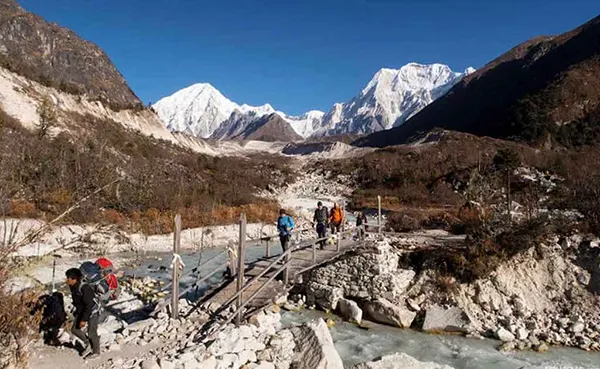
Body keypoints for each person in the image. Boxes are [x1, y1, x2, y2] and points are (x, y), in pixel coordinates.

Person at [65, 268, 100, 360]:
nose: (66, 279)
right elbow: (78, 302)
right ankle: (88, 344)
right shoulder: (73, 287)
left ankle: (96, 352)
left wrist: (83, 319)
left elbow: (89, 306)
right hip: (82, 310)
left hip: (92, 311)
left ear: (74, 279)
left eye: (68, 278)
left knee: (92, 332)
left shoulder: (85, 288)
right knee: (74, 329)